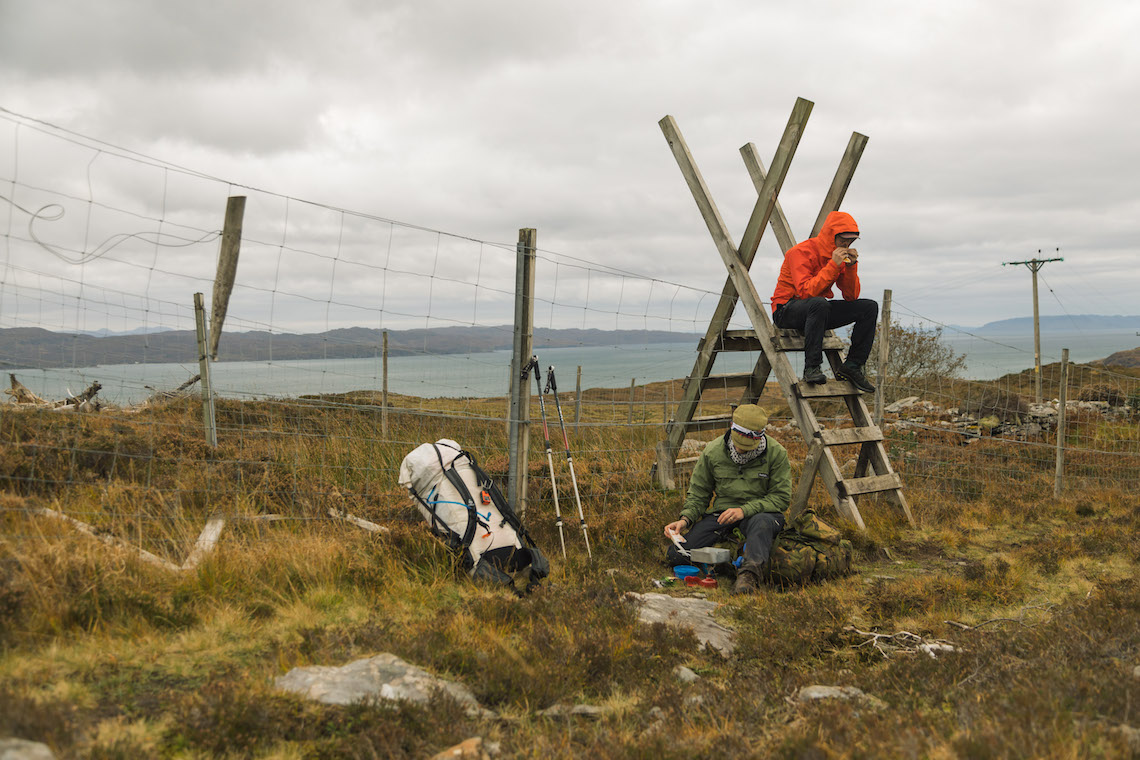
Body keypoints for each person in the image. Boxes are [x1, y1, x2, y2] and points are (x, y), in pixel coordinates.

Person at [663, 404, 790, 595]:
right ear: (731, 427)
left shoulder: (777, 453)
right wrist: (685, 519)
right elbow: (699, 493)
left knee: (762, 523)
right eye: (739, 444)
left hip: (761, 515)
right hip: (721, 514)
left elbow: (780, 498)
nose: (741, 450)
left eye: (748, 447)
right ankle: (730, 561)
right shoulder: (712, 451)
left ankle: (748, 577)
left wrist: (744, 511)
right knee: (677, 555)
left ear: (761, 436)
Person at [770, 210, 878, 393]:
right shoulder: (799, 252)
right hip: (786, 310)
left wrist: (851, 267)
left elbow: (850, 296)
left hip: (817, 311)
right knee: (819, 303)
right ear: (831, 235)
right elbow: (805, 292)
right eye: (843, 239)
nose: (846, 244)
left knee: (869, 307)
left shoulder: (839, 257)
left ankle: (852, 366)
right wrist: (833, 265)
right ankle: (812, 368)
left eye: (851, 240)